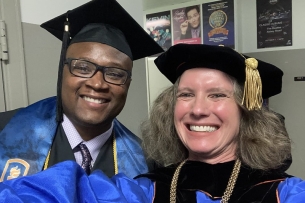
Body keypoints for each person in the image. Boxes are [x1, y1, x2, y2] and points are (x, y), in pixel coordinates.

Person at [1, 44, 305, 203]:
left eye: (217, 95)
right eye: (186, 94)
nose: (198, 109)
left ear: (245, 111)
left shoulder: (285, 193)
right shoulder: (143, 192)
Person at [0, 0, 163, 181]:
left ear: (128, 84)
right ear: (62, 72)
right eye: (83, 68)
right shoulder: (5, 130)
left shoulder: (147, 164)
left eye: (115, 74)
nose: (98, 83)